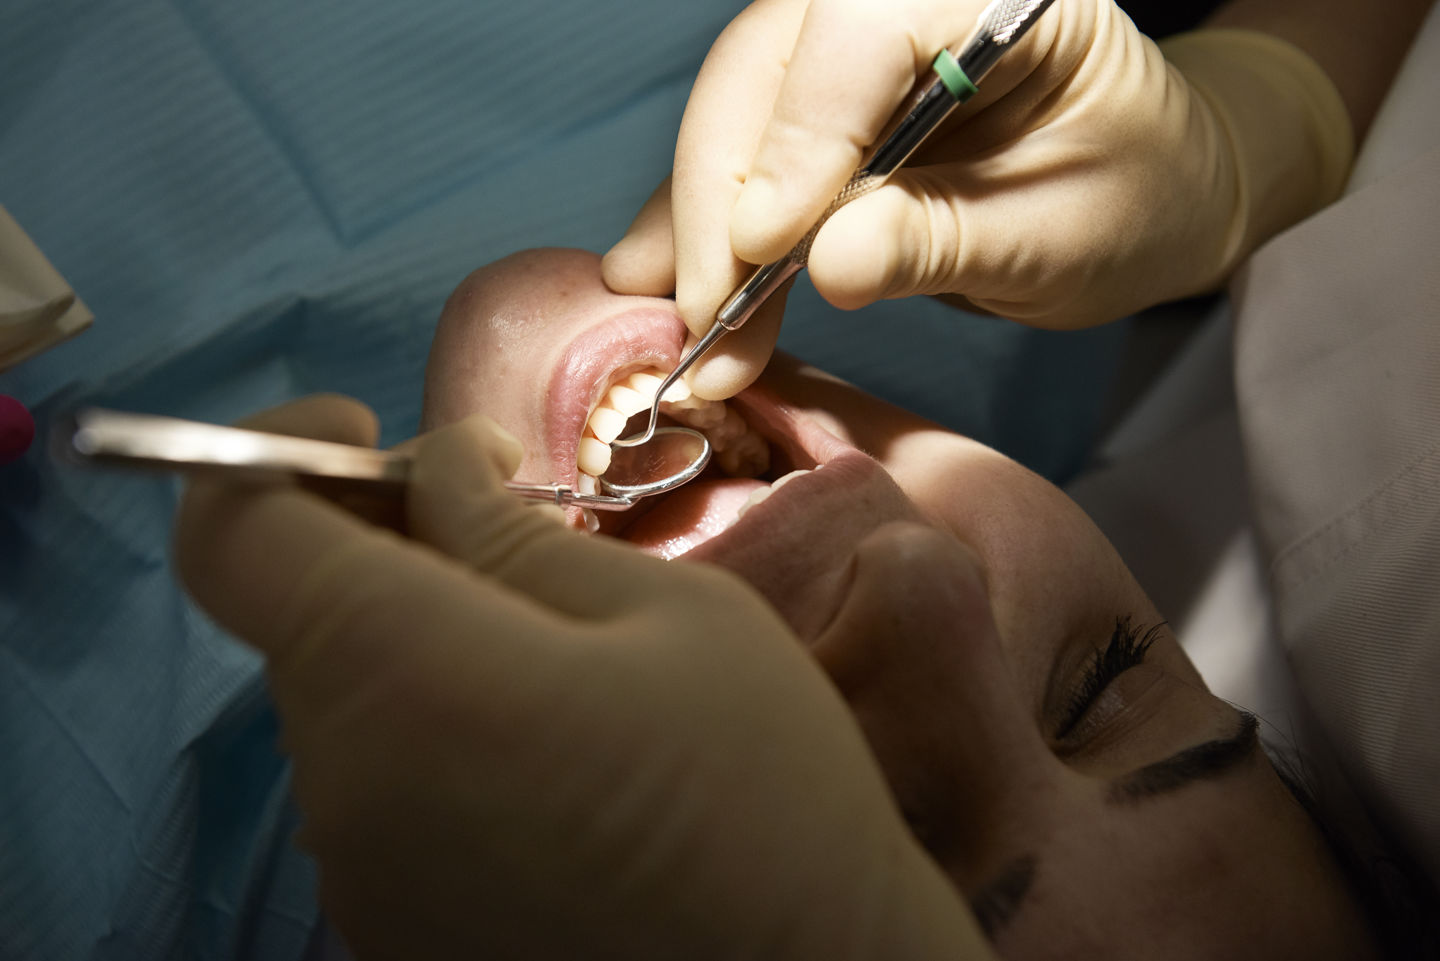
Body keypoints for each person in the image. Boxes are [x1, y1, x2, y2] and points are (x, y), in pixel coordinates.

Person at [178, 247, 1380, 959]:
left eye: (897, 835)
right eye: (1098, 685)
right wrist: (1278, 98)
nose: (919, 584)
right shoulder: (994, 311)